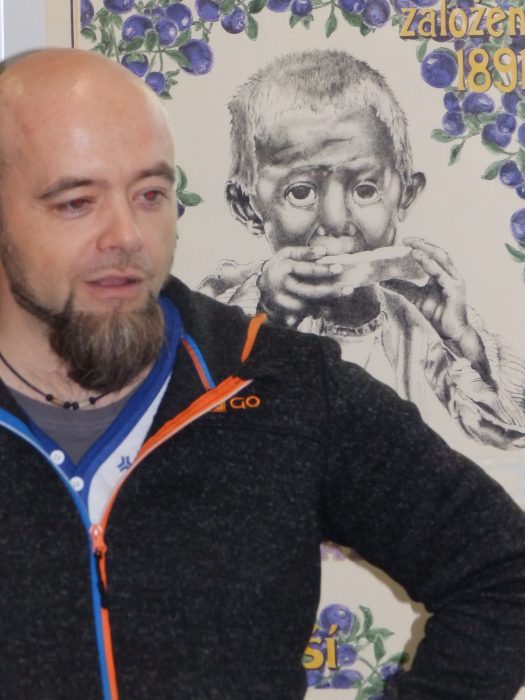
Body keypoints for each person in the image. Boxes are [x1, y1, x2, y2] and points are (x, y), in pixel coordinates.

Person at [0, 48, 524, 700]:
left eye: (150, 194)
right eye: (77, 202)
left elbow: (504, 572)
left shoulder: (283, 385)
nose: (127, 235)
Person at [199, 50, 525, 450]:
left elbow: (512, 435)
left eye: (365, 189)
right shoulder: (223, 308)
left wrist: (459, 337)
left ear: (405, 195)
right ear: (247, 207)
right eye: (300, 192)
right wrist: (270, 321)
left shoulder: (419, 326)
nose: (336, 220)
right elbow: (192, 427)